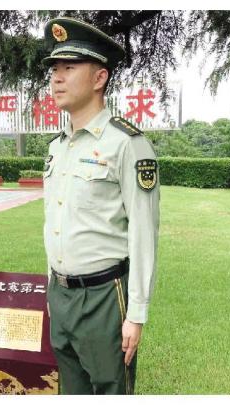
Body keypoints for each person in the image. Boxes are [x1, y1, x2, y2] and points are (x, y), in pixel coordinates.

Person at [42, 17, 161, 395]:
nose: (57, 78)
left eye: (69, 67)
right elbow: (54, 223)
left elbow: (144, 231)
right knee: (71, 390)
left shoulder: (127, 144)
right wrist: (51, 288)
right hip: (60, 294)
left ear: (99, 78)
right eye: (54, 69)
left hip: (105, 297)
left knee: (111, 390)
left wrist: (136, 314)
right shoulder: (57, 147)